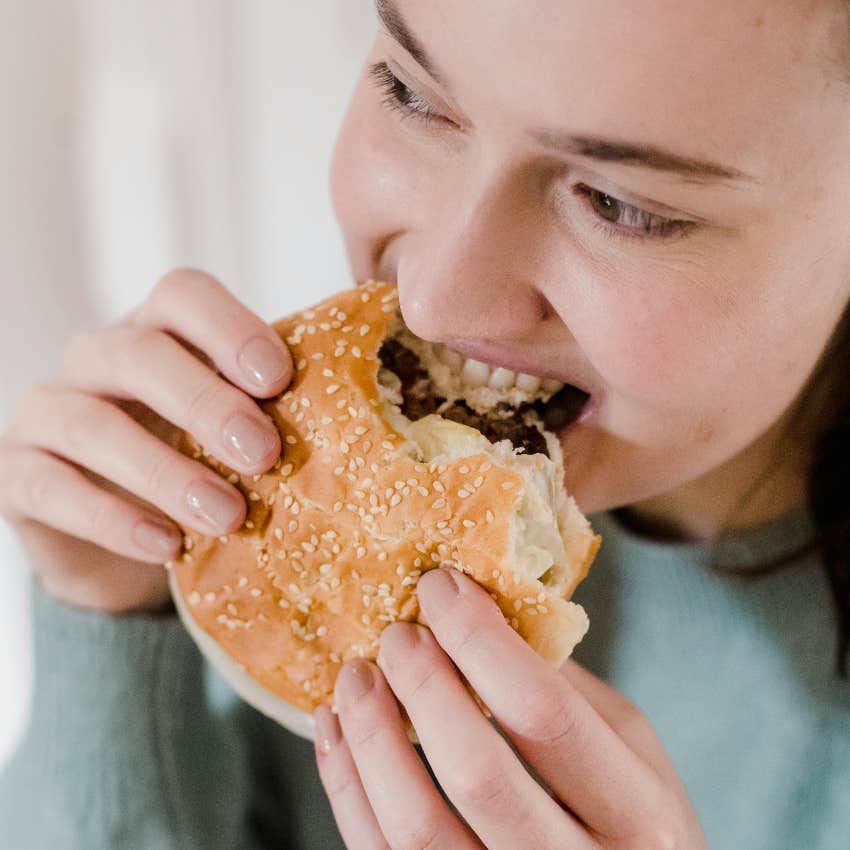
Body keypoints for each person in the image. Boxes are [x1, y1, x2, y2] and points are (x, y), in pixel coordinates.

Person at [1, 0, 849, 847]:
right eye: (411, 94)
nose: (434, 299)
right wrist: (112, 626)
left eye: (622, 206)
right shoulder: (302, 552)